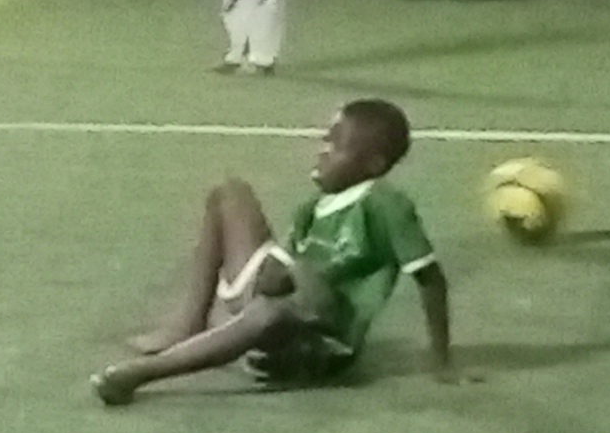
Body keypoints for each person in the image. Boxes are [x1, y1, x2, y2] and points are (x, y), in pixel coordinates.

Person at [92, 96, 448, 405]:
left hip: (322, 342)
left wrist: (441, 361)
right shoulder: (312, 208)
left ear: (373, 165)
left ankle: (143, 373)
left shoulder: (385, 204)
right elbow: (285, 275)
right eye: (325, 139)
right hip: (287, 314)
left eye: (336, 145)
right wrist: (275, 274)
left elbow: (429, 277)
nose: (322, 150)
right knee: (229, 192)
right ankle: (188, 325)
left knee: (276, 308)